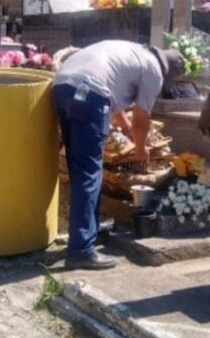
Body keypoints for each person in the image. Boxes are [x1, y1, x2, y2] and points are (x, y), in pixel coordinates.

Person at [52, 40, 184, 270]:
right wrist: (141, 148)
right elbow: (142, 118)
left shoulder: (130, 51)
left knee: (79, 168)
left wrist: (125, 127)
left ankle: (87, 232)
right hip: (90, 93)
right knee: (90, 173)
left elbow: (115, 106)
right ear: (167, 71)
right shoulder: (154, 69)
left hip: (63, 86)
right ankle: (81, 250)